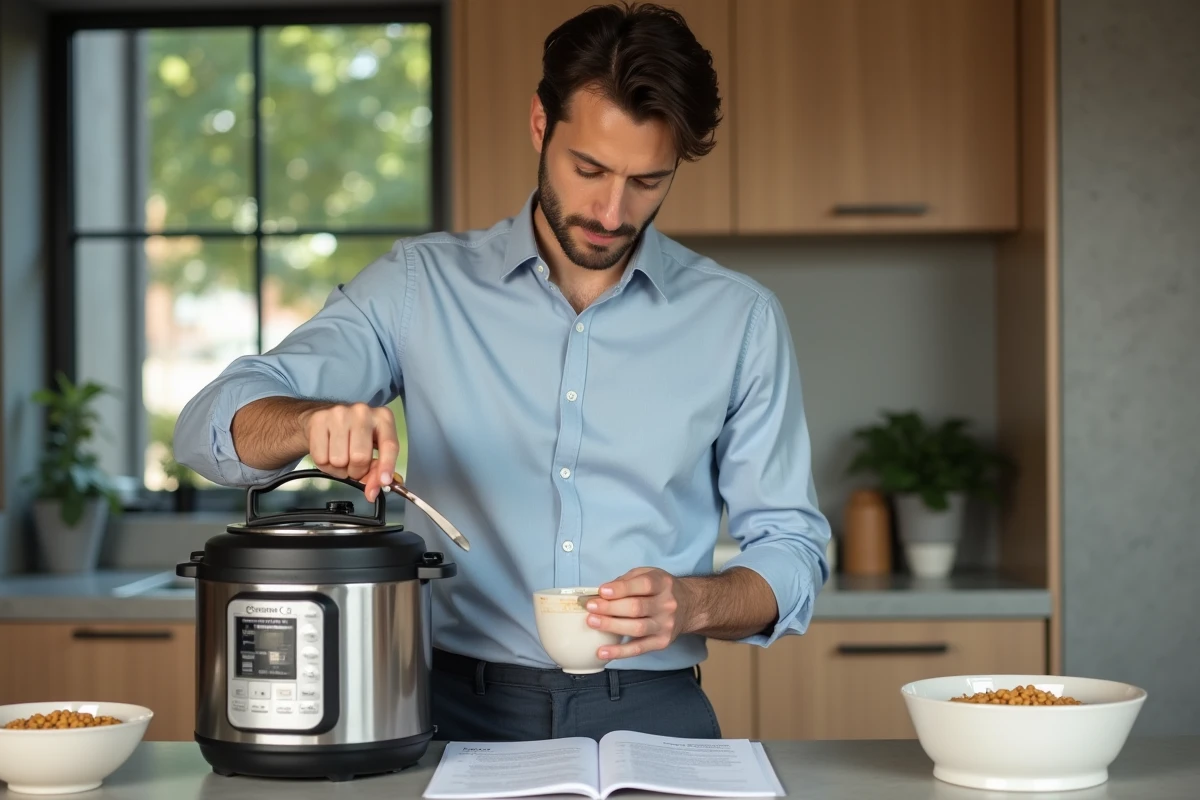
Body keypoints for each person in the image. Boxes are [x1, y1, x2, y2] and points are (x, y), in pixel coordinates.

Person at [174, 1, 830, 742]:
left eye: (648, 181)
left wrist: (696, 603)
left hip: (657, 713)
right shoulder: (420, 285)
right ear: (540, 125)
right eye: (589, 169)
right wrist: (303, 422)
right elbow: (206, 425)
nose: (612, 211)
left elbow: (793, 551)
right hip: (449, 705)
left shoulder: (739, 320)